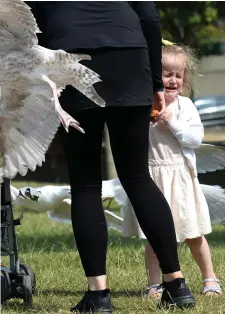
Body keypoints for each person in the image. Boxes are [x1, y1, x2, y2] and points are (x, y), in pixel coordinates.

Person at [29, 2, 195, 312]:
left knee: (86, 184)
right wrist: (156, 83)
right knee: (137, 177)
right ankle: (177, 285)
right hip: (128, 57)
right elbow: (147, 16)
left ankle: (98, 295)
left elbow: (32, 25)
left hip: (69, 55)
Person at [122, 41, 222, 300]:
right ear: (154, 76)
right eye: (167, 74)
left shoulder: (185, 106)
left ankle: (210, 278)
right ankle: (154, 284)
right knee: (154, 238)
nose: (173, 80)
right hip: (153, 178)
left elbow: (195, 139)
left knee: (193, 234)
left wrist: (171, 122)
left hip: (180, 178)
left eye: (179, 75)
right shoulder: (143, 105)